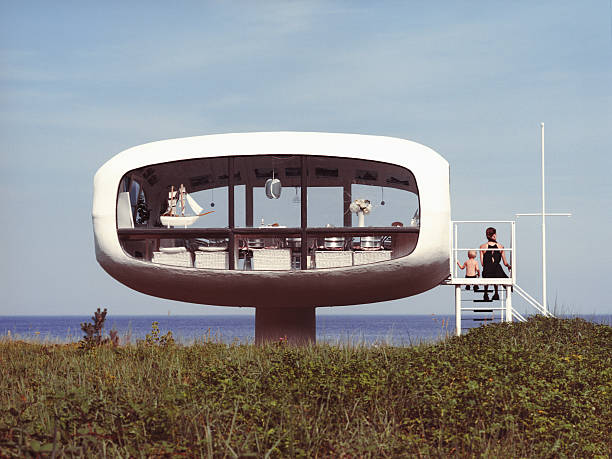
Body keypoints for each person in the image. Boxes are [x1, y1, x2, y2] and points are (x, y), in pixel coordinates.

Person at [480, 227, 511, 301]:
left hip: (487, 272)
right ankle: (496, 293)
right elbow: (505, 263)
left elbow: (482, 263)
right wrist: (509, 266)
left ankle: (485, 293)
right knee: (497, 269)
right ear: (494, 235)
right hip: (497, 272)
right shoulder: (501, 247)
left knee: (487, 270)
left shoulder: (482, 247)